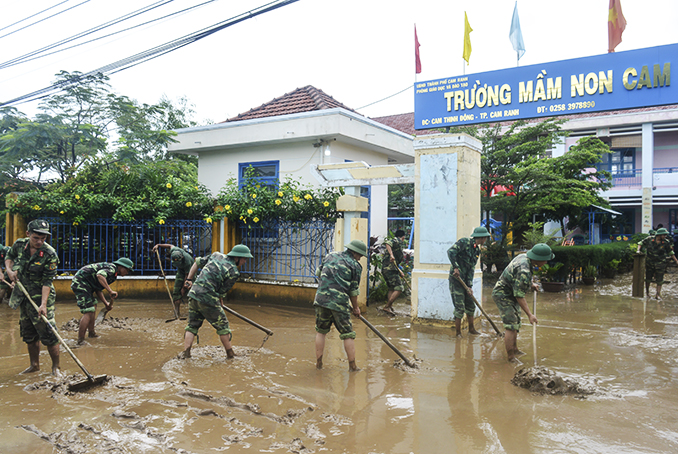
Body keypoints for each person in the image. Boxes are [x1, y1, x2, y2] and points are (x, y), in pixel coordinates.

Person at [4, 219, 61, 376]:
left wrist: (43, 305)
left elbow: (47, 282)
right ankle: (34, 365)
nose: (40, 241)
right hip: (23, 295)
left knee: (49, 332)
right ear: (28, 234)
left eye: (43, 238)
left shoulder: (50, 254)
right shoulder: (19, 245)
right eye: (36, 237)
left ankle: (56, 368)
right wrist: (9, 270)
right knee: (28, 332)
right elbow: (9, 256)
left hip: (42, 297)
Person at [179, 244, 253, 360]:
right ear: (237, 257)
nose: (245, 261)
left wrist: (189, 279)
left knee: (192, 325)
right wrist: (220, 303)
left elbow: (197, 262)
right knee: (223, 326)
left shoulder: (216, 255)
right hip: (208, 297)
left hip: (193, 294)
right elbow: (221, 292)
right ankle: (230, 354)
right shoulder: (233, 272)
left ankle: (186, 354)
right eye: (244, 258)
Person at [492, 243, 553, 363]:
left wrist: (531, 284)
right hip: (503, 295)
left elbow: (518, 278)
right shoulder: (523, 269)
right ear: (538, 259)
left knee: (516, 322)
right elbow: (519, 295)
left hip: (511, 292)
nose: (546, 262)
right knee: (511, 325)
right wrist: (530, 315)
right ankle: (510, 357)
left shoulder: (525, 257)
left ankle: (515, 349)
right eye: (545, 260)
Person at [314, 240, 366, 371]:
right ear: (354, 253)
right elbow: (353, 291)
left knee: (321, 331)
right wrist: (356, 308)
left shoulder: (330, 255)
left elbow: (318, 274)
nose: (360, 258)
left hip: (321, 300)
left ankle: (319, 364)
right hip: (339, 303)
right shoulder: (356, 266)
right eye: (360, 255)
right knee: (348, 334)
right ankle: (353, 367)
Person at [71, 258, 134, 344]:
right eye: (127, 270)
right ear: (122, 267)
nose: (127, 273)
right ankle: (80, 340)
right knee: (89, 310)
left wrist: (106, 304)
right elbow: (100, 275)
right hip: (81, 283)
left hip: (88, 285)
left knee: (94, 306)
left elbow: (98, 289)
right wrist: (110, 291)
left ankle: (91, 333)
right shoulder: (112, 268)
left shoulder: (113, 275)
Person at [447, 226, 491, 337]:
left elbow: (471, 268)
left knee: (471, 305)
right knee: (460, 308)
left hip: (465, 281)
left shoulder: (476, 250)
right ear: (481, 238)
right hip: (456, 280)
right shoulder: (464, 242)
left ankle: (471, 329)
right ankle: (458, 333)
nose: (485, 240)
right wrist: (455, 267)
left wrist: (469, 286)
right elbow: (451, 252)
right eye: (485, 238)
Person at [152, 243, 195, 316]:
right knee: (176, 292)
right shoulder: (174, 250)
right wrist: (158, 245)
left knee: (192, 292)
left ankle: (194, 313)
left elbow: (187, 277)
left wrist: (183, 289)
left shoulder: (188, 262)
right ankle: (177, 313)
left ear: (181, 258)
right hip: (181, 271)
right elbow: (169, 246)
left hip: (190, 273)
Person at [637, 227, 677, 299]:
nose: (665, 236)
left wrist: (676, 261)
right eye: (664, 235)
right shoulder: (649, 239)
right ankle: (647, 293)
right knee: (648, 278)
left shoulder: (666, 242)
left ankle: (658, 294)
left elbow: (670, 252)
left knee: (660, 279)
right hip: (650, 262)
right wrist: (638, 250)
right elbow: (640, 243)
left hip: (660, 263)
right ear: (659, 235)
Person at [380, 230, 406, 315]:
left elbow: (394, 263)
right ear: (403, 237)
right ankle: (387, 306)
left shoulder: (397, 244)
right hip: (390, 269)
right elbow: (388, 243)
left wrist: (400, 271)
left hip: (387, 269)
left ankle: (389, 307)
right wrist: (391, 255)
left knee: (391, 288)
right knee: (399, 288)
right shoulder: (397, 241)